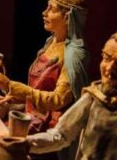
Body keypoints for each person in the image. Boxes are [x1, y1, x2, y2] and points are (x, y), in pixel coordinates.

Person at [0, 0, 89, 160]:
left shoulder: (74, 55)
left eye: (52, 9)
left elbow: (58, 100)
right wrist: (12, 97)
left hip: (48, 132)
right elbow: (39, 89)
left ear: (67, 18)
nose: (45, 13)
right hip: (33, 119)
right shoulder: (51, 42)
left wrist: (16, 88)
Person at [26, 32, 117, 160]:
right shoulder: (95, 96)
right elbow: (61, 135)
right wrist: (24, 144)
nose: (109, 69)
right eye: (106, 58)